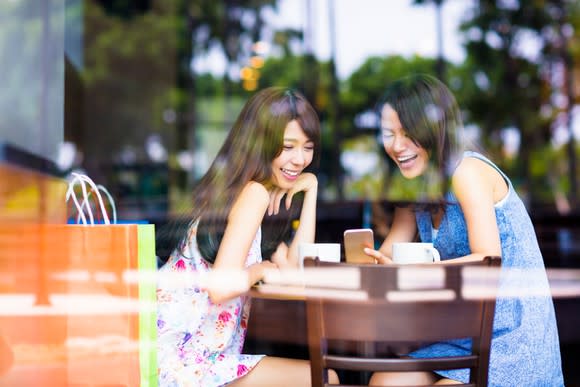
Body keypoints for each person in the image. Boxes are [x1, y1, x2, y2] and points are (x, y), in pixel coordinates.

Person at [363, 74, 564, 386]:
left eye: (409, 132)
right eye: (389, 133)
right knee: (383, 382)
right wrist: (361, 260)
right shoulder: (414, 186)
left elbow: (488, 258)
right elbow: (388, 253)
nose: (397, 146)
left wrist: (414, 274)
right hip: (460, 335)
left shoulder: (466, 171)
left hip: (512, 338)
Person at [156, 87, 335, 386]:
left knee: (321, 376)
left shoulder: (237, 191)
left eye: (308, 147)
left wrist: (311, 190)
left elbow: (295, 266)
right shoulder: (253, 194)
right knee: (323, 378)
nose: (300, 159)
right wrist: (260, 269)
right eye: (288, 146)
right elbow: (220, 287)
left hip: (180, 360)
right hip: (183, 366)